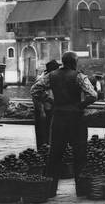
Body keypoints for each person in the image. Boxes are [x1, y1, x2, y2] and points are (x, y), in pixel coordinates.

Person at [38, 51, 97, 194]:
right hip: (76, 118)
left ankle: (50, 190)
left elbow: (35, 89)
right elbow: (93, 95)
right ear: (74, 62)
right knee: (80, 154)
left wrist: (50, 99)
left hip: (58, 117)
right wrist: (80, 105)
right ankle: (81, 189)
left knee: (55, 154)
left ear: (63, 62)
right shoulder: (79, 77)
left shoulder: (51, 75)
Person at [30, 60, 59, 150]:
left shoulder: (49, 77)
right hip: (43, 109)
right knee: (43, 131)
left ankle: (46, 148)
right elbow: (34, 92)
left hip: (48, 107)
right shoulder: (44, 78)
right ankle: (43, 150)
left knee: (47, 131)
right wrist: (46, 99)